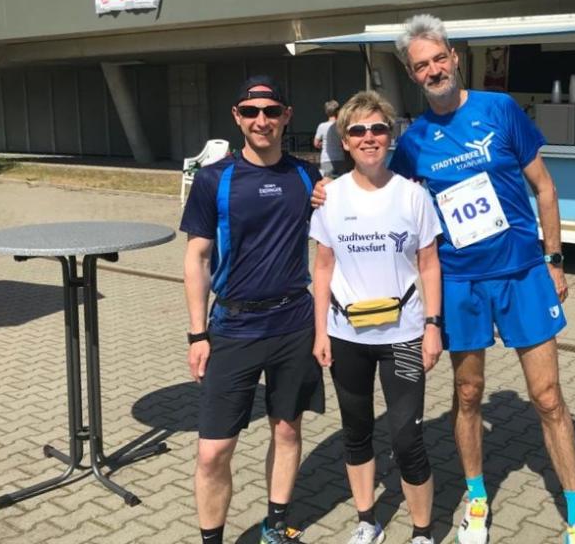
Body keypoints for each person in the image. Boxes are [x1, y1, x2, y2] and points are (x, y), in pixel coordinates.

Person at [313, 14, 575, 544]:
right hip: (461, 282)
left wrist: (554, 260)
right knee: (467, 393)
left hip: (522, 274)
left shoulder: (500, 109)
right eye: (422, 65)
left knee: (548, 396)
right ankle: (478, 500)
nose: (434, 70)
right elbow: (380, 186)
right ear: (412, 74)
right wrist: (325, 189)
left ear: (455, 57)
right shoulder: (415, 141)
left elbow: (545, 189)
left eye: (439, 58)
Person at [181, 75, 325, 544]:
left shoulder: (307, 178)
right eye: (250, 112)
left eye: (271, 111)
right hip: (233, 327)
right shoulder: (213, 179)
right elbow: (197, 258)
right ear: (237, 118)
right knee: (213, 451)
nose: (261, 120)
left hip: (294, 323)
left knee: (287, 431)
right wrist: (197, 334)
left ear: (286, 116)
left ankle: (275, 526)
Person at [311, 91, 443, 544]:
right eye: (358, 131)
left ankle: (423, 531)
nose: (369, 138)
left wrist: (433, 327)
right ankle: (367, 520)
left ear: (390, 136)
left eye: (378, 128)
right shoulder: (329, 197)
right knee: (356, 431)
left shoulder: (413, 195)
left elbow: (429, 264)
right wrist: (320, 333)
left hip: (403, 336)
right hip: (346, 336)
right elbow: (323, 267)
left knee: (407, 437)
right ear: (345, 141)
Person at [313, 99, 348, 177]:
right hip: (340, 158)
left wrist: (323, 144)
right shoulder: (341, 126)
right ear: (338, 111)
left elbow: (316, 143)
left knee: (328, 182)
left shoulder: (322, 126)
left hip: (326, 159)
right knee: (342, 181)